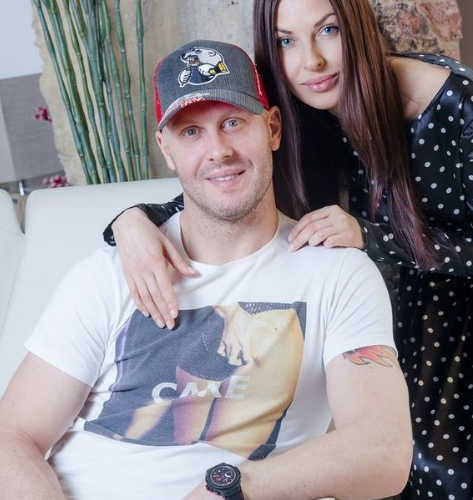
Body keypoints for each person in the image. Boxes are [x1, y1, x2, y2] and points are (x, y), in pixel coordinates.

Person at [0, 39, 411, 500]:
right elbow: (13, 436)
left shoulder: (337, 274)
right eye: (191, 132)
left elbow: (383, 451)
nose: (218, 150)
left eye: (233, 123)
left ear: (272, 129)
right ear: (167, 149)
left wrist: (233, 486)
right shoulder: (109, 273)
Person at [103, 1, 473, 499]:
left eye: (328, 30)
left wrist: (373, 237)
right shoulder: (298, 111)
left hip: (455, 317)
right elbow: (217, 190)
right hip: (382, 318)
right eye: (286, 41)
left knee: (441, 471)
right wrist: (131, 222)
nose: (311, 61)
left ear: (356, 26)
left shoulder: (454, 105)